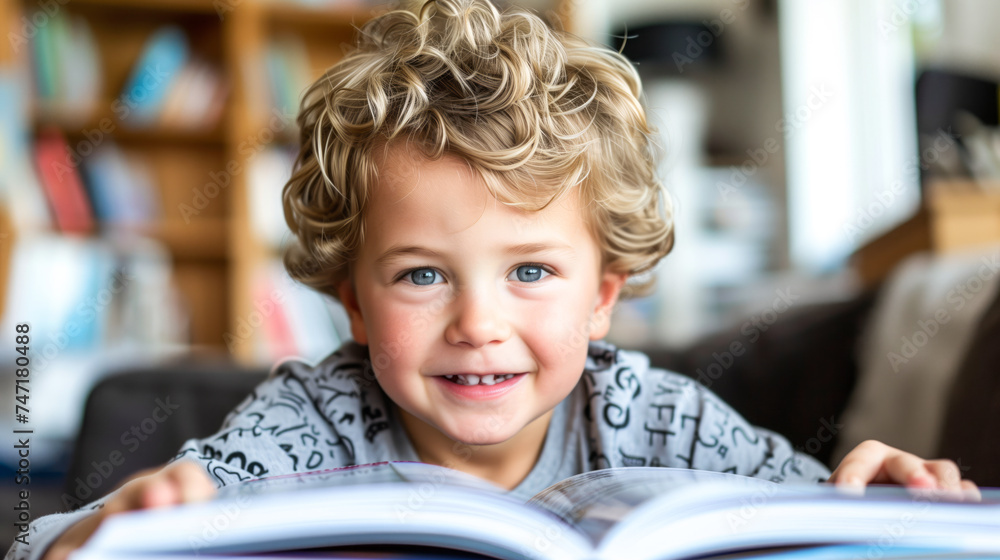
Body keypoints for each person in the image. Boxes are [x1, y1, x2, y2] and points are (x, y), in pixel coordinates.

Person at [8, 1, 978, 559]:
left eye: (530, 271)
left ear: (603, 292)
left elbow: (819, 514)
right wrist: (109, 527)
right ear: (351, 296)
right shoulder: (311, 420)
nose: (479, 322)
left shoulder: (658, 414)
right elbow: (34, 540)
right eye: (423, 273)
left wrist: (879, 489)